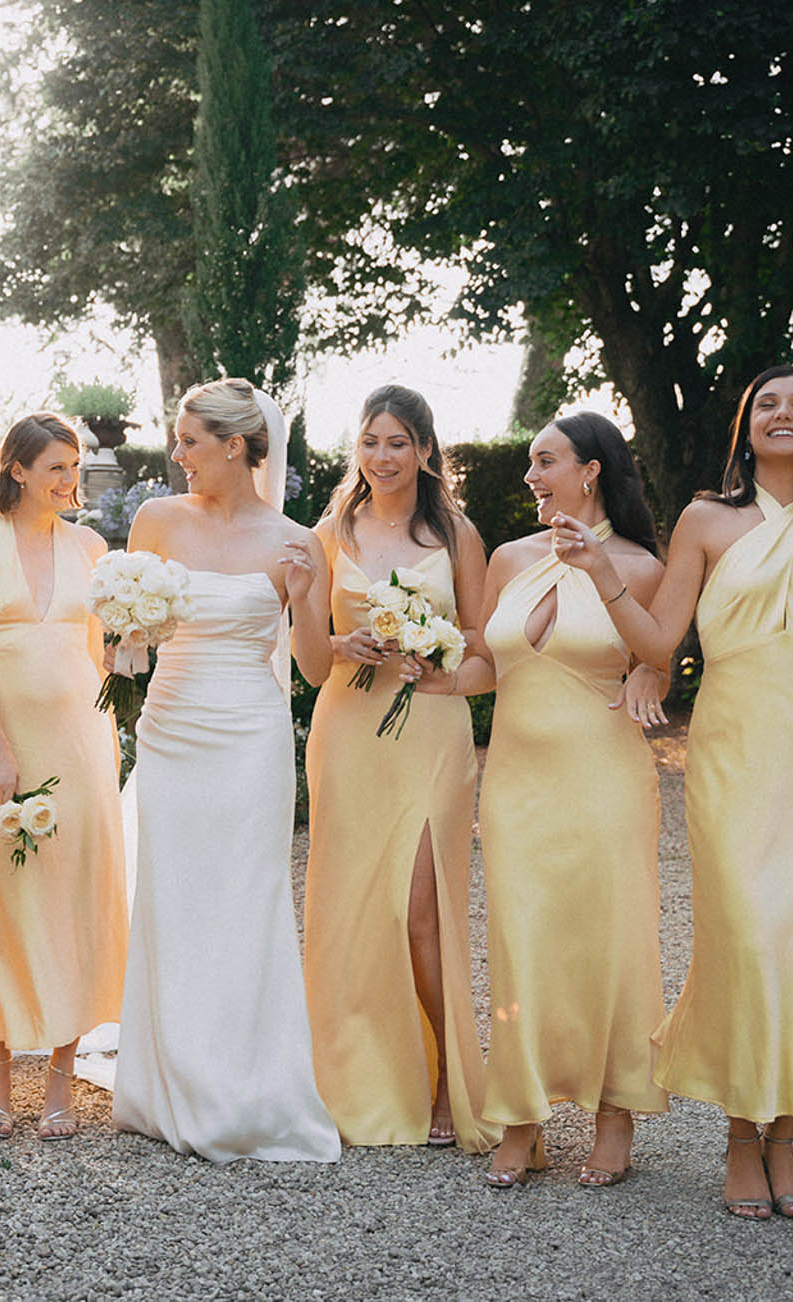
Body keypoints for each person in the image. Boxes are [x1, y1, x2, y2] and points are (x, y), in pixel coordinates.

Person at [555, 365, 793, 1220]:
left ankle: (785, 1138)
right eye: (768, 403)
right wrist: (599, 572)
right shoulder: (706, 519)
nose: (784, 414)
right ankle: (741, 1135)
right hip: (734, 754)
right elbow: (660, 639)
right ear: (746, 425)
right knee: (745, 933)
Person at [111, 377, 342, 1163]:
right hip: (172, 729)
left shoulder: (298, 540)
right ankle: (166, 1082)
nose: (177, 457)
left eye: (189, 442)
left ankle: (250, 1088)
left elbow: (313, 667)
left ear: (236, 445)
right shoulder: (156, 520)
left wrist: (307, 599)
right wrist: (123, 634)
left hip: (250, 734)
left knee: (246, 901)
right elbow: (122, 641)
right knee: (174, 898)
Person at [442, 412, 670, 1189]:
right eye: (534, 464)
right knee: (520, 940)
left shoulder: (639, 564)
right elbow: (488, 669)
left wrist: (604, 577)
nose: (533, 477)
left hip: (604, 781)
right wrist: (429, 671)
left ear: (591, 471)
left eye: (546, 462)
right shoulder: (508, 559)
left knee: (608, 939)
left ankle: (614, 1113)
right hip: (516, 787)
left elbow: (661, 656)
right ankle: (523, 1117)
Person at [299, 385, 495, 1152]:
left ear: (424, 450)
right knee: (347, 910)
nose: (382, 457)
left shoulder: (456, 533)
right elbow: (310, 663)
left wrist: (443, 664)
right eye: (370, 442)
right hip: (348, 730)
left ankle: (448, 1077)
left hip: (432, 736)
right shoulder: (328, 534)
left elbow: (485, 648)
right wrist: (344, 645)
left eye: (398, 442)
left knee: (421, 912)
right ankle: (348, 1077)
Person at [0, 412, 127, 1140]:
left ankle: (59, 1074)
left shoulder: (89, 545)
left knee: (75, 896)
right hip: (4, 738)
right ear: (17, 469)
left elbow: (102, 653)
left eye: (74, 466)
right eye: (56, 466)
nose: (69, 480)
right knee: (10, 899)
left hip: (82, 739)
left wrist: (134, 643)